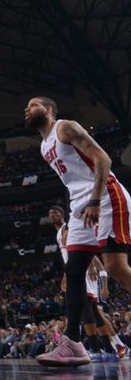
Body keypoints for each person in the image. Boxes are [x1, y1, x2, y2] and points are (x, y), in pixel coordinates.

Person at [26, 97, 131, 366]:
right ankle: (73, 344)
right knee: (73, 271)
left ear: (49, 110)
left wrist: (95, 199)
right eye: (26, 107)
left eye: (34, 105)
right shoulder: (43, 146)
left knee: (117, 267)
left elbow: (103, 159)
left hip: (105, 196)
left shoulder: (65, 128)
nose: (27, 109)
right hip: (80, 208)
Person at [48, 205, 110, 360]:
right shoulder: (59, 234)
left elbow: (82, 247)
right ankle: (108, 348)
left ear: (62, 215)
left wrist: (88, 265)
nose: (52, 215)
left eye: (56, 212)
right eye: (50, 213)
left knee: (86, 310)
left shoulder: (66, 228)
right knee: (93, 311)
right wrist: (66, 274)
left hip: (82, 271)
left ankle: (96, 350)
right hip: (75, 271)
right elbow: (69, 255)